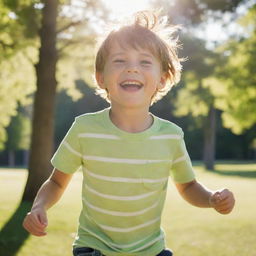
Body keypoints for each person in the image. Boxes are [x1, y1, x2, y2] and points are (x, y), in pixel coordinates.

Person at [23, 10, 235, 256]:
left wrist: (211, 199)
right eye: (120, 60)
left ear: (163, 79)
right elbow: (57, 181)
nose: (132, 69)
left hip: (151, 251)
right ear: (101, 78)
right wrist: (39, 205)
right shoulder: (84, 129)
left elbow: (188, 187)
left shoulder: (171, 136)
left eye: (145, 62)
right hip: (94, 249)